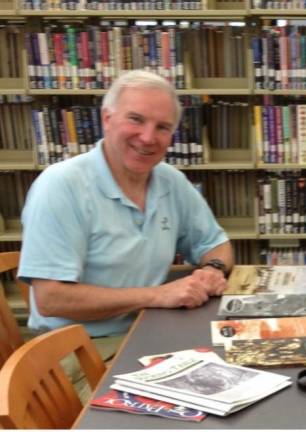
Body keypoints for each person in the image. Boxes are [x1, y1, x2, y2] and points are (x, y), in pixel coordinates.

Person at [18, 70, 233, 354]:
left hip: (149, 329)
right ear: (107, 119)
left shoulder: (169, 180)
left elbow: (217, 245)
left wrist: (212, 270)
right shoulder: (61, 186)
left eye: (162, 127)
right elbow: (51, 298)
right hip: (81, 349)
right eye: (136, 119)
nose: (147, 137)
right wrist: (158, 295)